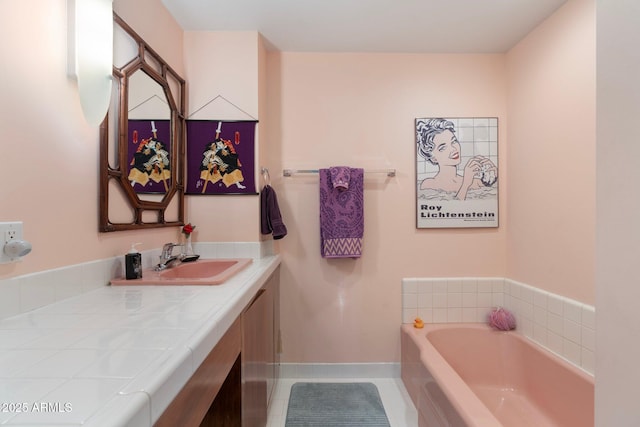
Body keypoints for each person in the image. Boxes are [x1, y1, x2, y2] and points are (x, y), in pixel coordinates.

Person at [416, 118, 497, 200]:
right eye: (443, 147)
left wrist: (491, 176)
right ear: (433, 158)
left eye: (454, 141)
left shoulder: (475, 182)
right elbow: (447, 210)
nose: (453, 149)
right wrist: (465, 184)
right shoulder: (429, 184)